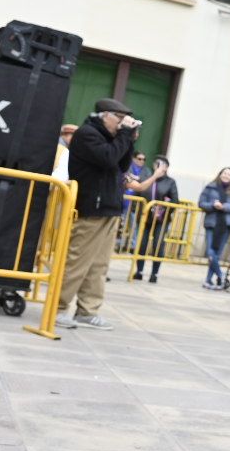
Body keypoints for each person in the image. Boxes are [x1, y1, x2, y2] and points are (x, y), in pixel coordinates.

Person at [54, 99, 139, 330]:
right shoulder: (87, 134)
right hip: (90, 208)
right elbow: (107, 158)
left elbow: (121, 165)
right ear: (104, 115)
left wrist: (128, 139)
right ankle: (58, 308)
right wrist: (123, 136)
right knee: (77, 262)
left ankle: (87, 311)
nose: (122, 123)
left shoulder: (112, 139)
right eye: (119, 119)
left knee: (98, 266)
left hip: (109, 209)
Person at [128, 156, 178, 283]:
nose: (158, 167)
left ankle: (154, 273)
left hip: (161, 220)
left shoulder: (170, 182)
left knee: (158, 245)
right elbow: (138, 194)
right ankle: (139, 271)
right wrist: (137, 211)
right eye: (156, 164)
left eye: (161, 165)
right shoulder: (148, 179)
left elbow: (175, 201)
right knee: (142, 244)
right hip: (145, 218)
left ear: (166, 168)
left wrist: (162, 209)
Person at [198, 167, 230, 290]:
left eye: (229, 174)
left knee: (217, 253)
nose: (226, 175)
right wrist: (213, 205)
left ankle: (208, 280)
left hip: (225, 225)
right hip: (212, 223)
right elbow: (201, 203)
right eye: (224, 173)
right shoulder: (210, 187)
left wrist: (224, 206)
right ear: (220, 174)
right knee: (210, 251)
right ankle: (220, 276)